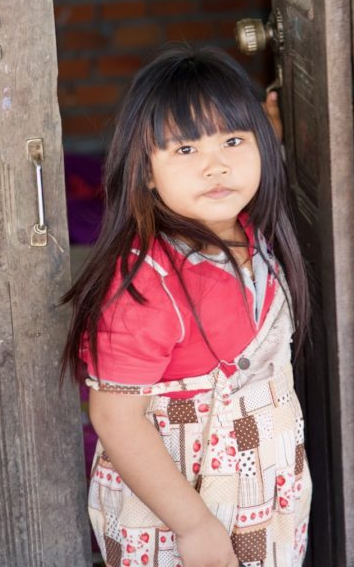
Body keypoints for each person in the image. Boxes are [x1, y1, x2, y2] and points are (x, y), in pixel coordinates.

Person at [61, 44, 312, 567]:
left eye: (233, 140)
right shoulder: (148, 285)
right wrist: (193, 525)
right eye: (185, 150)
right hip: (181, 514)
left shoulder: (250, 232)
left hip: (264, 496)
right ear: (146, 172)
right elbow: (114, 416)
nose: (216, 166)